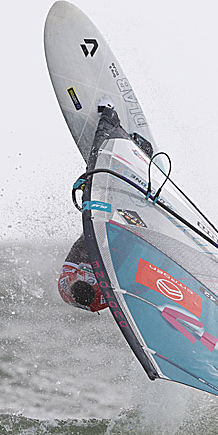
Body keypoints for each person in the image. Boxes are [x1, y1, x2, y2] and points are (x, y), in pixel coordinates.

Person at [57, 97, 128, 313]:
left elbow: (79, 248)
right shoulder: (102, 299)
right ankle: (128, 159)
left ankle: (109, 123)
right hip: (107, 271)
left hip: (88, 257)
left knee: (98, 227)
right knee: (120, 235)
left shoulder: (65, 284)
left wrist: (93, 223)